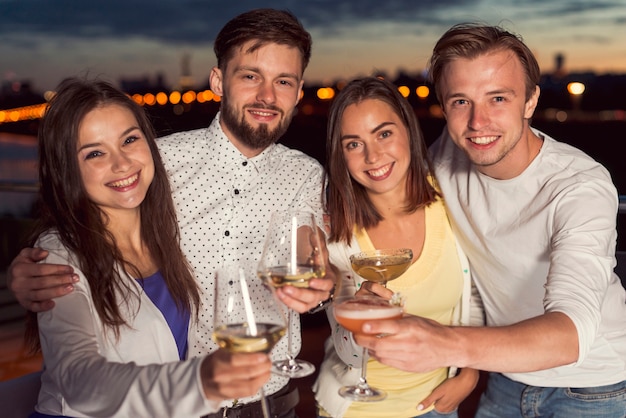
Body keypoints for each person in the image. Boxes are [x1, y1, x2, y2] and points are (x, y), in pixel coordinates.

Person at [7, 9, 335, 418]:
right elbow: (84, 226)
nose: (267, 96)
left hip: (274, 394)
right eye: (250, 76)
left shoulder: (307, 174)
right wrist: (28, 269)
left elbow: (311, 263)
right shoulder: (151, 163)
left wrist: (323, 289)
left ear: (299, 90)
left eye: (283, 81)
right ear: (218, 81)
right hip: (183, 399)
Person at [351, 24, 626, 417]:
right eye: (461, 102)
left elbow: (571, 336)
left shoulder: (579, 186)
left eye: (498, 98)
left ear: (530, 100)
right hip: (504, 378)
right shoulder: (448, 152)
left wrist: (446, 346)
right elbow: (386, 196)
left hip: (594, 384)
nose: (479, 122)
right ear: (444, 106)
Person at [24, 77, 272, 417]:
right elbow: (79, 380)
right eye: (95, 153)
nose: (122, 163)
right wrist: (200, 382)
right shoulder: (58, 256)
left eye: (129, 139)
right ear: (67, 169)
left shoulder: (169, 232)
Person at [312, 77, 483, 417]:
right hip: (356, 409)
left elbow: (473, 294)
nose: (373, 156)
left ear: (408, 129)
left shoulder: (452, 199)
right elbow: (344, 348)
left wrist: (470, 371)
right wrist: (354, 315)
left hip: (436, 406)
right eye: (353, 144)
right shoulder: (336, 232)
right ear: (340, 154)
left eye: (384, 134)